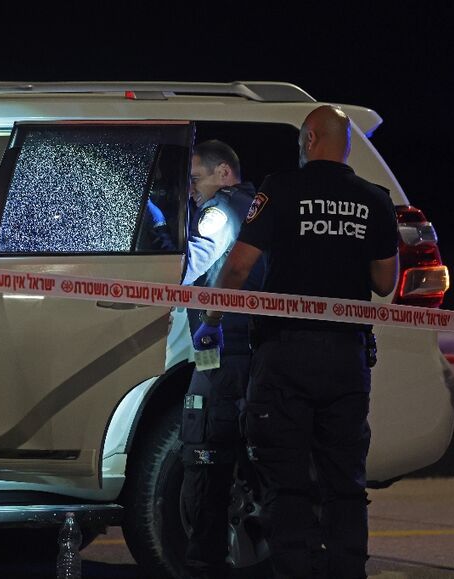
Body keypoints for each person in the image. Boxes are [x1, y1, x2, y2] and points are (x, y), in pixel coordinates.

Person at [192, 105, 399, 579]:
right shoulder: (375, 199)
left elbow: (240, 265)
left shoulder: (280, 189)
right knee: (345, 482)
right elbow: (385, 282)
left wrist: (213, 317)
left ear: (309, 140)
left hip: (285, 355)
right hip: (346, 359)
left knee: (285, 483)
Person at [170, 140, 265, 579]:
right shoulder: (256, 208)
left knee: (204, 451)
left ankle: (204, 561)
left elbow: (188, 267)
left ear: (224, 173)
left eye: (195, 179)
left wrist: (157, 234)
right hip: (252, 353)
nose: (191, 190)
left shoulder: (220, 212)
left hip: (222, 355)